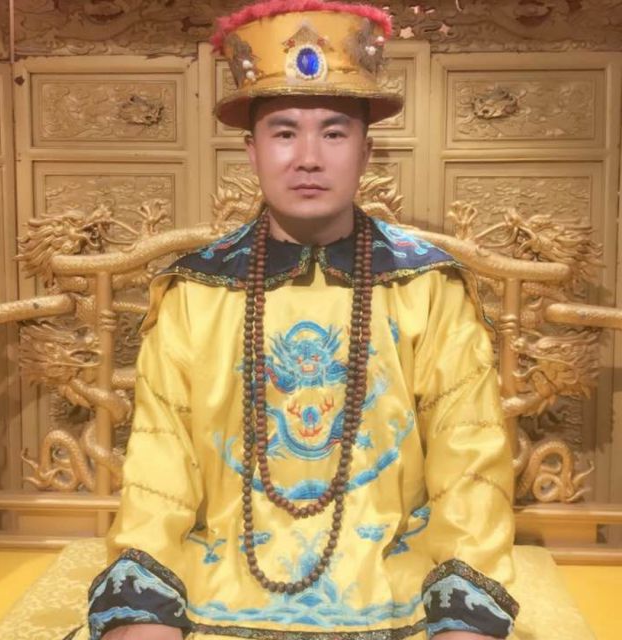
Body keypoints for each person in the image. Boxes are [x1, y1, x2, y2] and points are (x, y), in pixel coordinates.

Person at [77, 2, 522, 639]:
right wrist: (143, 609)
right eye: (284, 133)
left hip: (398, 586)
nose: (308, 158)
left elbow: (468, 458)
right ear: (252, 151)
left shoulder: (426, 287)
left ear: (366, 151)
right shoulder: (197, 291)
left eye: (334, 133)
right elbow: (159, 465)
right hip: (218, 582)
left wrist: (464, 613)